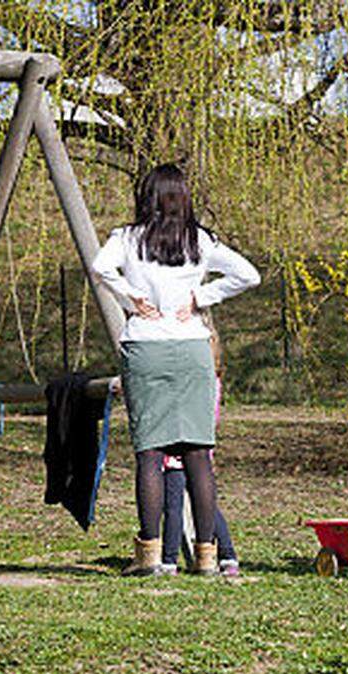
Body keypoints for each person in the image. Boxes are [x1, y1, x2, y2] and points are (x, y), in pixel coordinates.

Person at [92, 163, 260, 576]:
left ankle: (149, 555)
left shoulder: (126, 239)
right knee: (198, 452)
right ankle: (207, 556)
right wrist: (201, 297)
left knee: (149, 451)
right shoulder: (199, 240)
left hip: (145, 346)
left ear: (146, 197)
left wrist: (130, 296)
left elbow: (99, 267)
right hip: (191, 349)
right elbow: (248, 275)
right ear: (184, 198)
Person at [160, 313, 240, 576]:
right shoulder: (213, 382)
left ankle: (169, 561)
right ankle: (227, 556)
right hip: (202, 450)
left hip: (176, 448)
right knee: (206, 505)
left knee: (173, 506)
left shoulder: (188, 381)